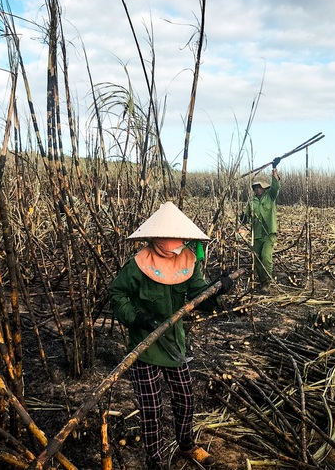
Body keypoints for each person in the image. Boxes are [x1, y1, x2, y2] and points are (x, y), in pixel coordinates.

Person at [108, 201, 232, 470]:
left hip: (175, 344)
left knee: (185, 399)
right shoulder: (138, 264)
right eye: (170, 238)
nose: (177, 243)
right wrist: (136, 316)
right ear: (157, 238)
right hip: (145, 346)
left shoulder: (188, 260)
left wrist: (217, 289)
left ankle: (186, 444)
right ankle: (155, 462)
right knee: (151, 409)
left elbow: (199, 296)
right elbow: (116, 294)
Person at [242, 157, 281, 294]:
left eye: (259, 187)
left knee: (265, 257)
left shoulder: (270, 196)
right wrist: (242, 219)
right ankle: (262, 280)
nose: (257, 189)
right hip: (257, 234)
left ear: (264, 188)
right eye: (256, 187)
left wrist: (274, 169)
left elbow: (276, 186)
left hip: (269, 233)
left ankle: (266, 283)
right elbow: (246, 217)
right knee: (257, 259)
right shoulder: (251, 201)